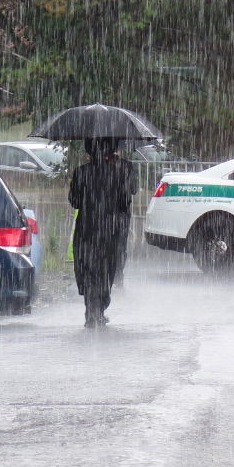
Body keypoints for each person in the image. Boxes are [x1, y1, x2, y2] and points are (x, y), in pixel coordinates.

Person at [69, 138, 137, 327]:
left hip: (87, 228)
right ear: (114, 147)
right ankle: (98, 308)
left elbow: (74, 202)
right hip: (113, 229)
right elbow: (128, 197)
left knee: (89, 269)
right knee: (107, 269)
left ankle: (92, 310)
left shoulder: (81, 172)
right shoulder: (124, 169)